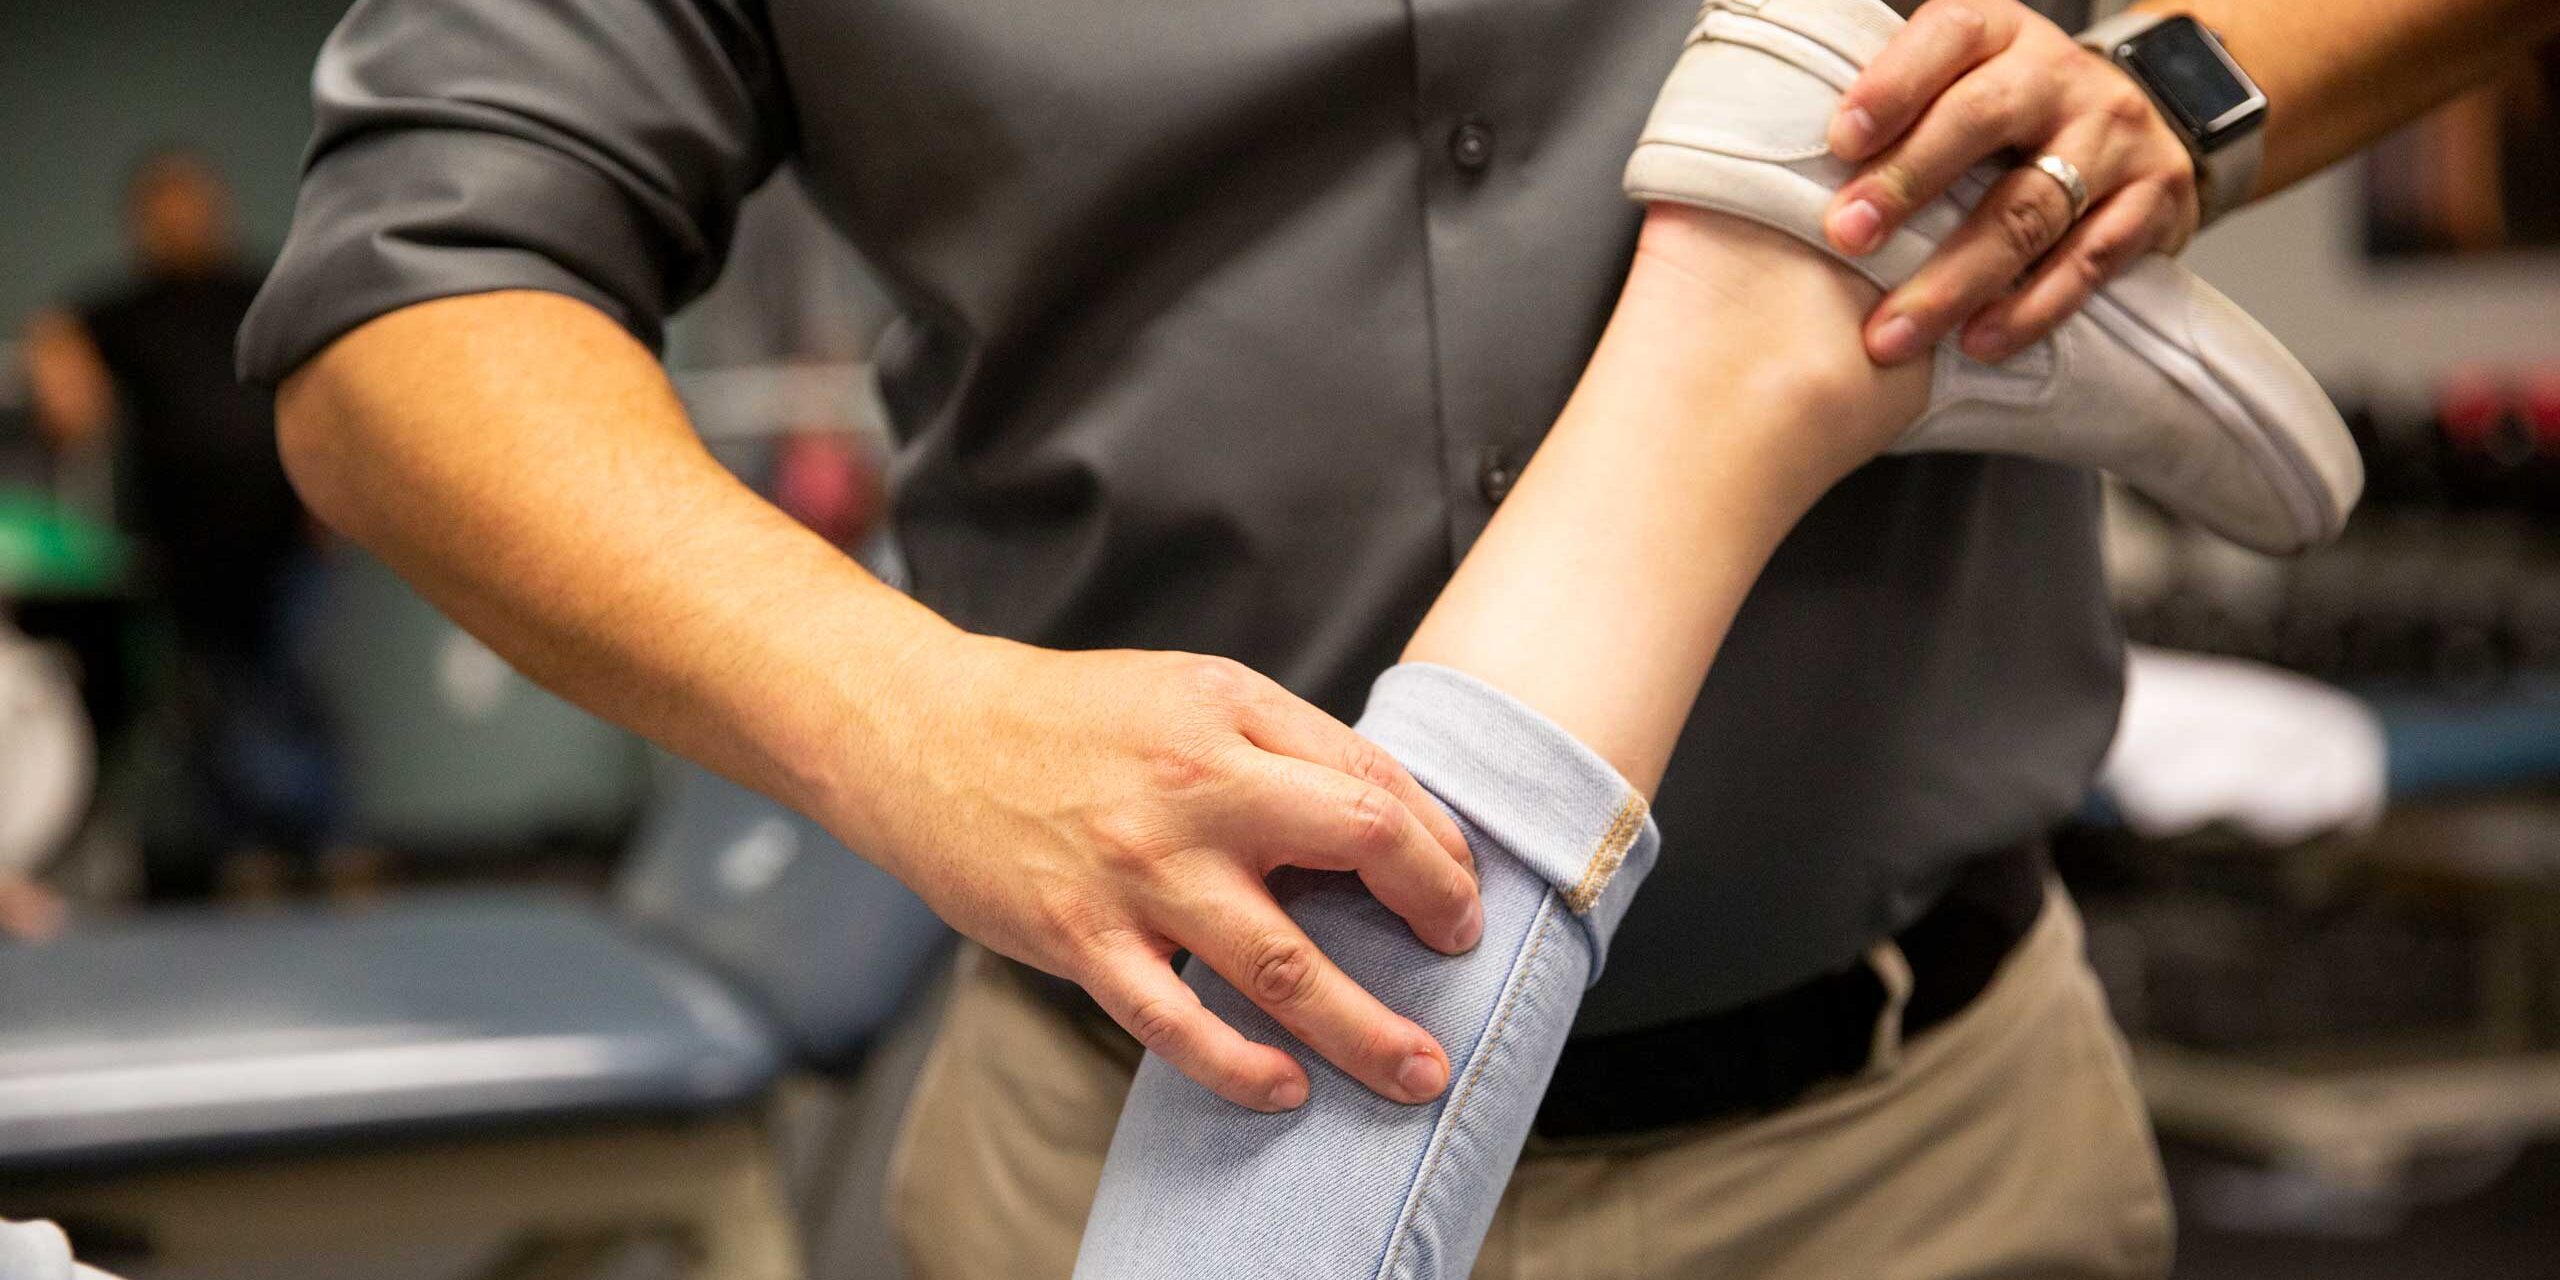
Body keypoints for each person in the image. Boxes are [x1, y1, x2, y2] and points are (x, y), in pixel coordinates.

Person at [236, 0, 2553, 1274]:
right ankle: (1760, 328)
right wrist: (896, 710)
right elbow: (401, 301)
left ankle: (1772, 322)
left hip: (1905, 1144)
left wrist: (2175, 90)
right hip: (1127, 1106)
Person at [22, 149, 345, 902]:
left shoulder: (261, 289)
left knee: (291, 689)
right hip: (181, 545)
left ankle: (326, 846)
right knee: (211, 704)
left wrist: (331, 497)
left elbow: (321, 381)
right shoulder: (126, 311)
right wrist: (55, 357)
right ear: (142, 221)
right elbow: (58, 337)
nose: (179, 219)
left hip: (281, 533)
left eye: (190, 201)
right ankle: (246, 856)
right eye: (162, 206)